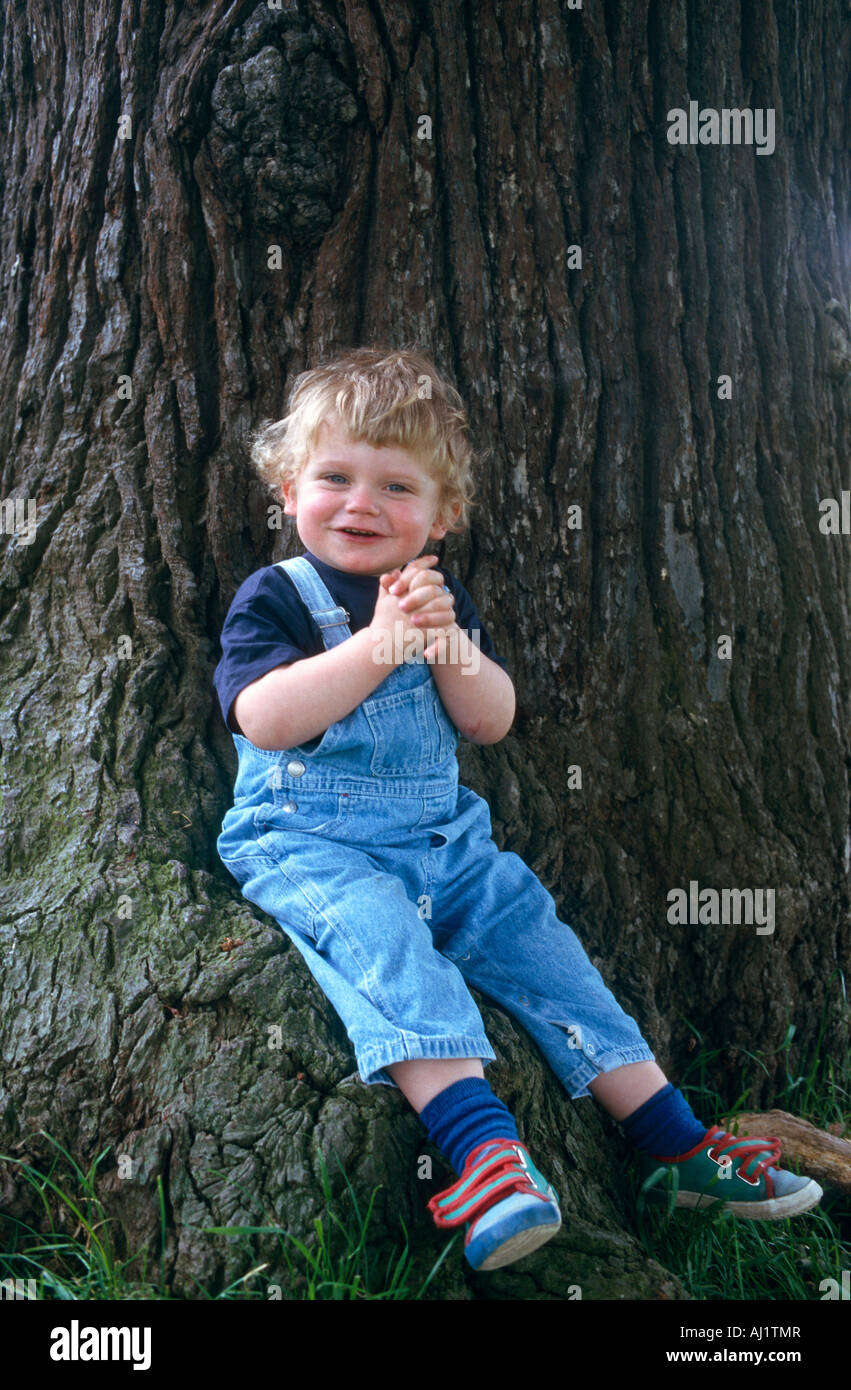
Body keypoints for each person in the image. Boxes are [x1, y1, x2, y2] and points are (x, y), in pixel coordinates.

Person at [214, 346, 822, 1272]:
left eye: (396, 487)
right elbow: (263, 716)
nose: (360, 504)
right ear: (290, 489)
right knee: (388, 954)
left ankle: (674, 1143)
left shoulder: (437, 597)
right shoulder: (277, 596)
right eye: (333, 477)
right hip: (311, 841)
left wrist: (448, 642)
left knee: (545, 947)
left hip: (443, 841)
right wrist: (379, 646)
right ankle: (486, 1156)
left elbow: (488, 720)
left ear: (441, 516)